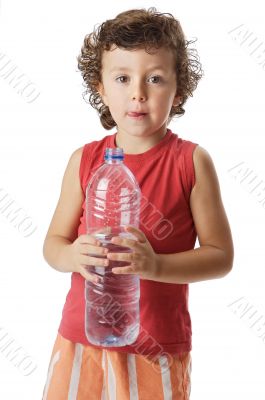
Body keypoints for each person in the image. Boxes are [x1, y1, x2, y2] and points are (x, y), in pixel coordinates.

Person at [41, 7, 234, 400]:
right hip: (82, 337)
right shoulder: (84, 160)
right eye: (123, 77)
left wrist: (156, 265)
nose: (138, 93)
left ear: (179, 90)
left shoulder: (191, 162)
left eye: (156, 78)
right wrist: (74, 256)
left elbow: (221, 256)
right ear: (100, 87)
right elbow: (53, 245)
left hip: (156, 347)